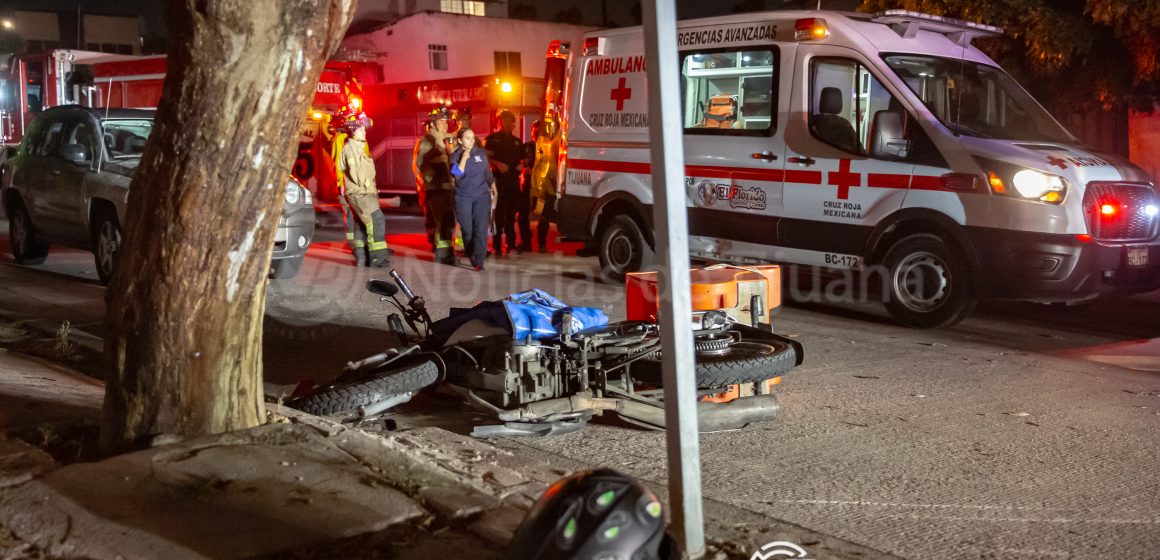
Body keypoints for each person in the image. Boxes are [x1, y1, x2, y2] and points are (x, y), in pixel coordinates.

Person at [338, 113, 391, 267]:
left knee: (362, 224)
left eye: (364, 129)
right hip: (360, 193)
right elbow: (356, 174)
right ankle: (378, 257)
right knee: (376, 220)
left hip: (363, 193)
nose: (364, 131)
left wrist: (372, 188)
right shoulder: (350, 149)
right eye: (361, 129)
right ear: (353, 131)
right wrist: (369, 185)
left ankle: (362, 256)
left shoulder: (358, 147)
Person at [413, 107, 458, 265]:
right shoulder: (427, 140)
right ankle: (443, 254)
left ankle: (446, 252)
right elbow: (419, 166)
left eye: (446, 121)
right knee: (442, 219)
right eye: (442, 121)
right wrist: (430, 177)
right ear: (434, 123)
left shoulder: (447, 139)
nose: (445, 124)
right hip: (436, 187)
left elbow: (453, 161)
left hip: (448, 186)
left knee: (449, 220)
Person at [450, 128, 496, 271]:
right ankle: (471, 255)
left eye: (473, 137)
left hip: (482, 196)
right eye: (467, 138)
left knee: (480, 230)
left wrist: (495, 189)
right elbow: (457, 175)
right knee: (468, 231)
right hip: (463, 197)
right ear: (460, 140)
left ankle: (479, 261)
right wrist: (464, 157)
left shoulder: (481, 153)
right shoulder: (454, 156)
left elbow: (488, 174)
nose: (471, 140)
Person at [485, 111, 529, 255]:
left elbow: (525, 159)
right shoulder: (493, 139)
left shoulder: (517, 141)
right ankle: (496, 246)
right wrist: (497, 163)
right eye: (505, 120)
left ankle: (511, 244)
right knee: (498, 214)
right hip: (498, 181)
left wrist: (523, 165)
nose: (508, 123)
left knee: (511, 215)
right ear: (499, 122)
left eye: (510, 121)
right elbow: (485, 158)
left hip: (513, 181)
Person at [528, 119, 559, 253]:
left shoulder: (548, 147)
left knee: (543, 217)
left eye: (538, 130)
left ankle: (541, 244)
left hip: (542, 188)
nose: (536, 133)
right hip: (528, 187)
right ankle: (525, 242)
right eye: (534, 130)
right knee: (523, 216)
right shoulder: (528, 147)